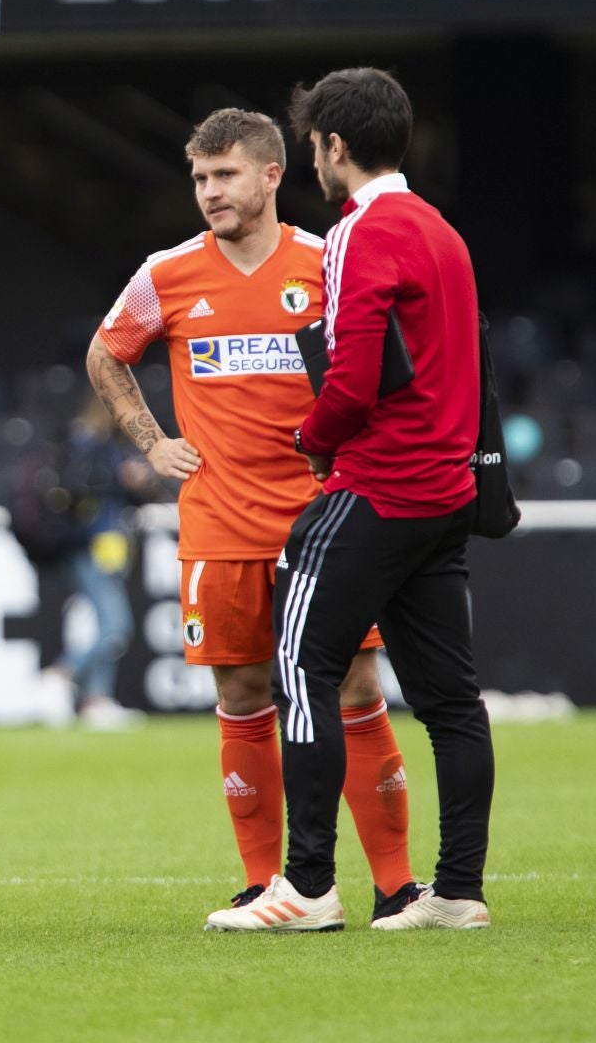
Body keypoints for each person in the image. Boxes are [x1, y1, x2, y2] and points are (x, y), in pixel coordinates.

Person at [88, 109, 418, 931]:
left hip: (324, 525)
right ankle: (262, 883)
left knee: (354, 687)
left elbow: (387, 370)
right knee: (241, 693)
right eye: (200, 178)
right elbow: (106, 353)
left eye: (226, 174)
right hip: (219, 527)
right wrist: (152, 441)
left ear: (272, 175)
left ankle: (397, 887)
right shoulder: (166, 274)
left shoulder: (327, 262)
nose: (210, 191)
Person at [209, 69, 493, 933]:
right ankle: (457, 893)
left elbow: (355, 375)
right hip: (447, 490)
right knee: (451, 703)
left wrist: (313, 435)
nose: (314, 164)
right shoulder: (443, 232)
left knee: (300, 669)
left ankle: (306, 886)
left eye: (313, 148)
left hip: (378, 487)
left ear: (333, 146)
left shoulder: (356, 234)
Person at [35, 397, 152, 730]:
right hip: (88, 545)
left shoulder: (111, 447)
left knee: (103, 625)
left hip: (110, 547)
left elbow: (127, 500)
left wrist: (135, 485)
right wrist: (119, 477)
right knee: (115, 625)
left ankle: (97, 701)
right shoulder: (86, 443)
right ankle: (61, 673)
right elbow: (79, 490)